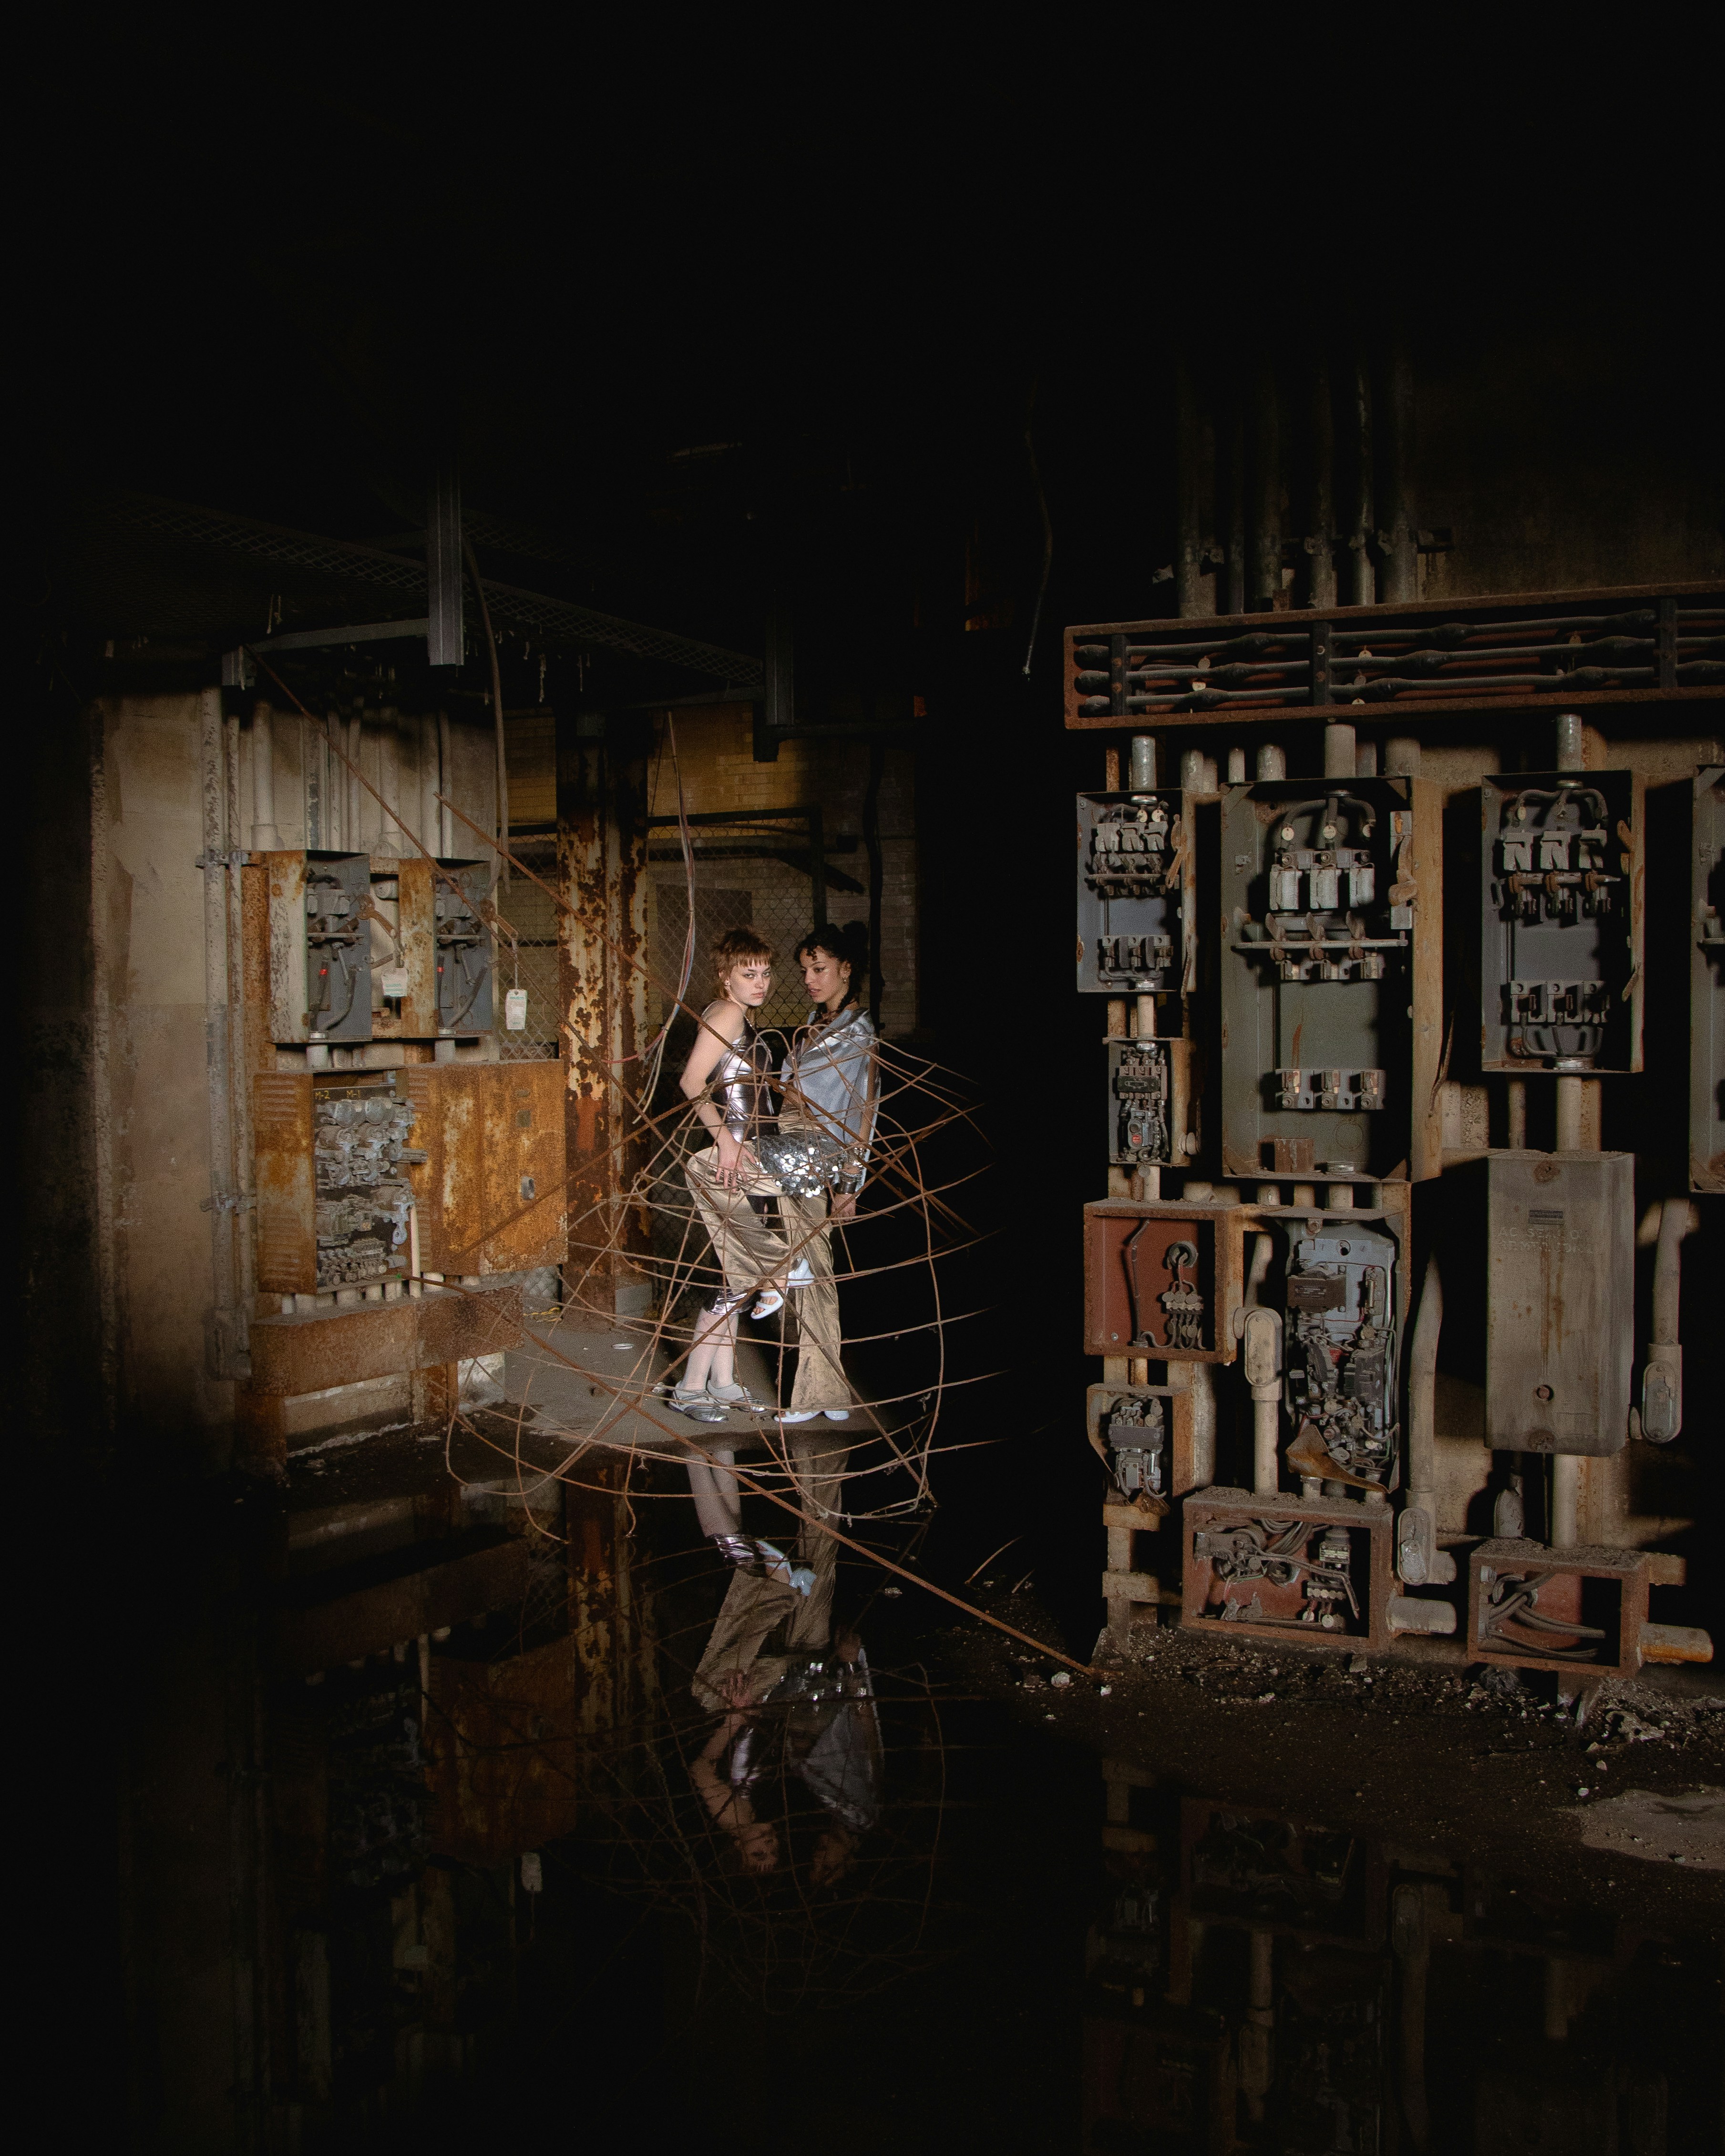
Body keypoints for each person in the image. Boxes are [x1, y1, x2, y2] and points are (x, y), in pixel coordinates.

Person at [672, 926, 813, 1588]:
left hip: (742, 1157)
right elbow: (691, 1080)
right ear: (726, 977)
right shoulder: (726, 1013)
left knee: (733, 1274)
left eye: (764, 972)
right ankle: (689, 1387)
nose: (760, 982)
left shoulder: (744, 1016)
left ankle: (718, 1381)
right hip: (723, 1161)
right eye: (749, 972)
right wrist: (724, 1140)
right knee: (752, 1267)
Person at [775, 921, 879, 1427]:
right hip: (794, 1145)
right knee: (810, 1266)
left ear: (845, 968)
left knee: (812, 1267)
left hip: (818, 1153)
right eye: (805, 971)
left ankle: (820, 1391)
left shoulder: (858, 1033)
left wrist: (850, 1184)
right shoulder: (820, 1022)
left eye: (819, 969)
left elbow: (863, 1112)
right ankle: (823, 1389)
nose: (811, 979)